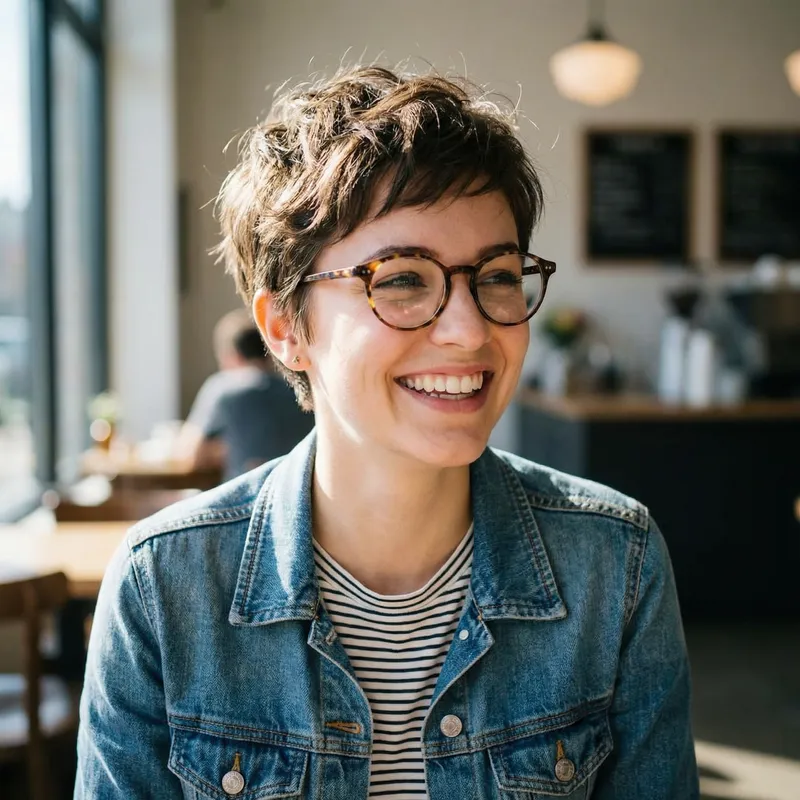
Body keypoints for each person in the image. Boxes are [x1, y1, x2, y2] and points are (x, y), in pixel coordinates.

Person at [75, 65, 699, 799]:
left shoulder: (615, 565)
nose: (470, 330)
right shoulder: (164, 587)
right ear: (285, 328)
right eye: (402, 279)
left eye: (498, 276)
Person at [178, 308, 314, 479]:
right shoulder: (298, 388)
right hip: (293, 482)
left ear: (231, 355)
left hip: (245, 486)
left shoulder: (223, 387)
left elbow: (190, 455)